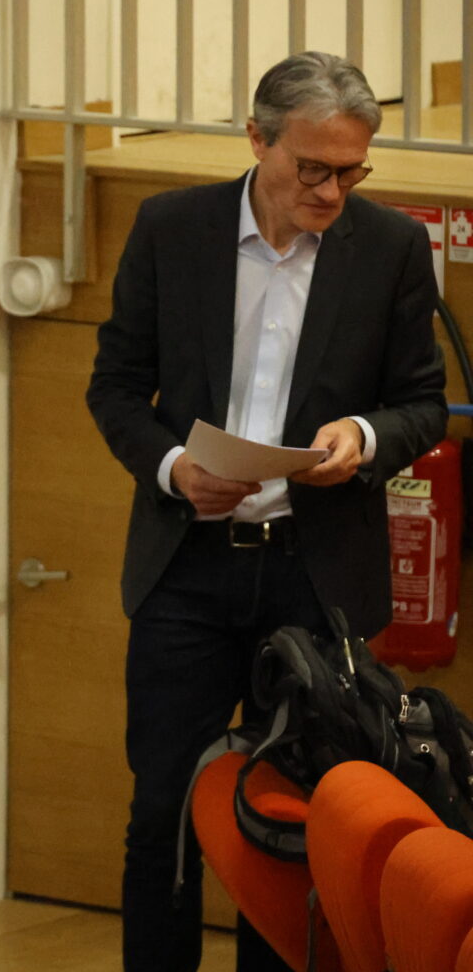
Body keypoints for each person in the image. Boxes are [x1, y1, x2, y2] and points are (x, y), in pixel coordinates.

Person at [86, 51, 447, 971]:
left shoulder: (391, 248)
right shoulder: (173, 229)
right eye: (312, 169)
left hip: (315, 575)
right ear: (257, 139)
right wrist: (173, 468)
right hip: (188, 566)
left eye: (351, 172)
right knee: (164, 811)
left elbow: (421, 404)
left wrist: (361, 436)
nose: (331, 192)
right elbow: (116, 386)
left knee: (297, 818)